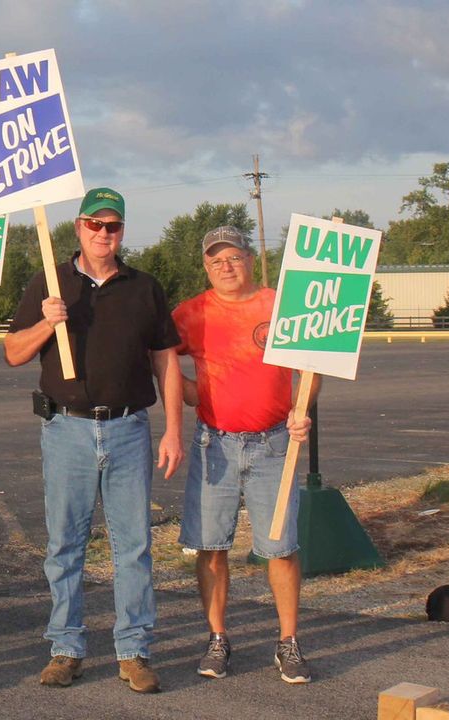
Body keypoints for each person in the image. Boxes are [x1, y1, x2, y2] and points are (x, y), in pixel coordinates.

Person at [4, 187, 183, 694]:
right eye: (94, 225)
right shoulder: (50, 280)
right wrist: (48, 321)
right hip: (67, 429)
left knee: (134, 547)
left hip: (128, 429)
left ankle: (133, 650)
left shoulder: (143, 287)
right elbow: (14, 353)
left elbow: (165, 360)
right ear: (77, 227)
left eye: (113, 226)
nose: (103, 234)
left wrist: (173, 429)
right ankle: (66, 647)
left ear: (123, 230)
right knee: (65, 547)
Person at [172, 225, 316, 684]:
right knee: (211, 546)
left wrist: (302, 409)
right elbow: (159, 360)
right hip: (214, 444)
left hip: (275, 444)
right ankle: (217, 639)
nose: (226, 267)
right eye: (216, 260)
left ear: (251, 259)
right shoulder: (190, 314)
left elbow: (314, 363)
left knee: (281, 547)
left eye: (233, 257)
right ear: (205, 267)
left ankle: (288, 642)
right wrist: (189, 392)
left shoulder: (280, 305)